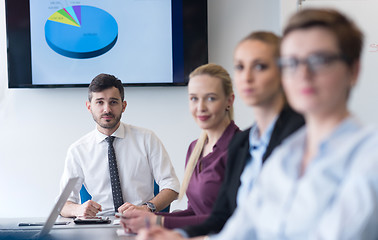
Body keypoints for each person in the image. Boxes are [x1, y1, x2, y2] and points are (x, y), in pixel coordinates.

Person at [138, 8, 378, 240]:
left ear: (353, 70)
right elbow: (242, 225)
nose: (303, 74)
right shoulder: (285, 156)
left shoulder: (368, 156)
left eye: (319, 60)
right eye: (292, 63)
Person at [135, 30, 305, 239]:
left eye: (260, 66)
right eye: (240, 67)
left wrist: (163, 222)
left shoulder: (298, 136)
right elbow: (223, 216)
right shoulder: (246, 141)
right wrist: (177, 234)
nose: (247, 77)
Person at [119, 63, 240, 232]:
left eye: (211, 98)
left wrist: (157, 222)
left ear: (229, 101)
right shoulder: (195, 148)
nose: (200, 107)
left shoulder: (241, 148)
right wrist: (148, 218)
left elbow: (230, 219)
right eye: (194, 98)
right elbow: (194, 212)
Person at [59, 73, 180, 217]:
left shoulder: (147, 139)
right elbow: (62, 205)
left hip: (142, 222)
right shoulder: (78, 150)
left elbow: (172, 186)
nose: (107, 109)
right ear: (88, 106)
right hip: (99, 225)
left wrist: (147, 208)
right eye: (99, 102)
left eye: (113, 102)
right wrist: (77, 210)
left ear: (123, 106)